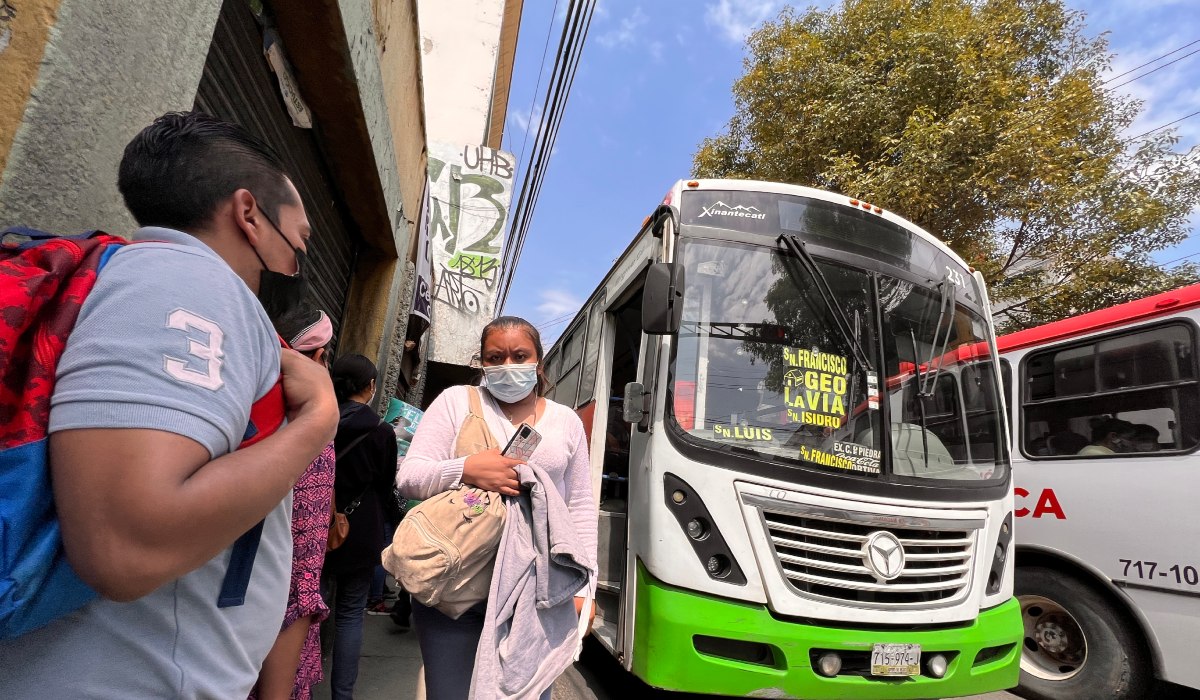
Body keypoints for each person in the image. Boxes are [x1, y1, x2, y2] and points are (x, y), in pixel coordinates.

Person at [0, 112, 339, 697]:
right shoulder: (189, 285)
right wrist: (315, 422)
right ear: (249, 214)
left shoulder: (156, 279)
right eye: (302, 240)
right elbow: (124, 546)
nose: (299, 263)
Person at [397, 316, 598, 700]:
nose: (508, 365)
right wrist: (467, 469)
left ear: (538, 363)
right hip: (455, 583)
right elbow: (410, 477)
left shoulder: (565, 422)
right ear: (483, 363)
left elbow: (580, 507)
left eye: (519, 355)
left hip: (536, 596)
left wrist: (585, 589)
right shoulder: (456, 402)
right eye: (495, 357)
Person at [253, 310, 337, 700]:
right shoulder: (311, 428)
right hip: (259, 652)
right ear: (319, 358)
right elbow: (301, 580)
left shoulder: (236, 400)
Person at [321, 354, 401, 700]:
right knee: (351, 614)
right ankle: (342, 695)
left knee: (310, 610)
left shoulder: (317, 422)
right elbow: (386, 485)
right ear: (370, 387)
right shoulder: (382, 432)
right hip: (361, 529)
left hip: (315, 527)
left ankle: (298, 688)